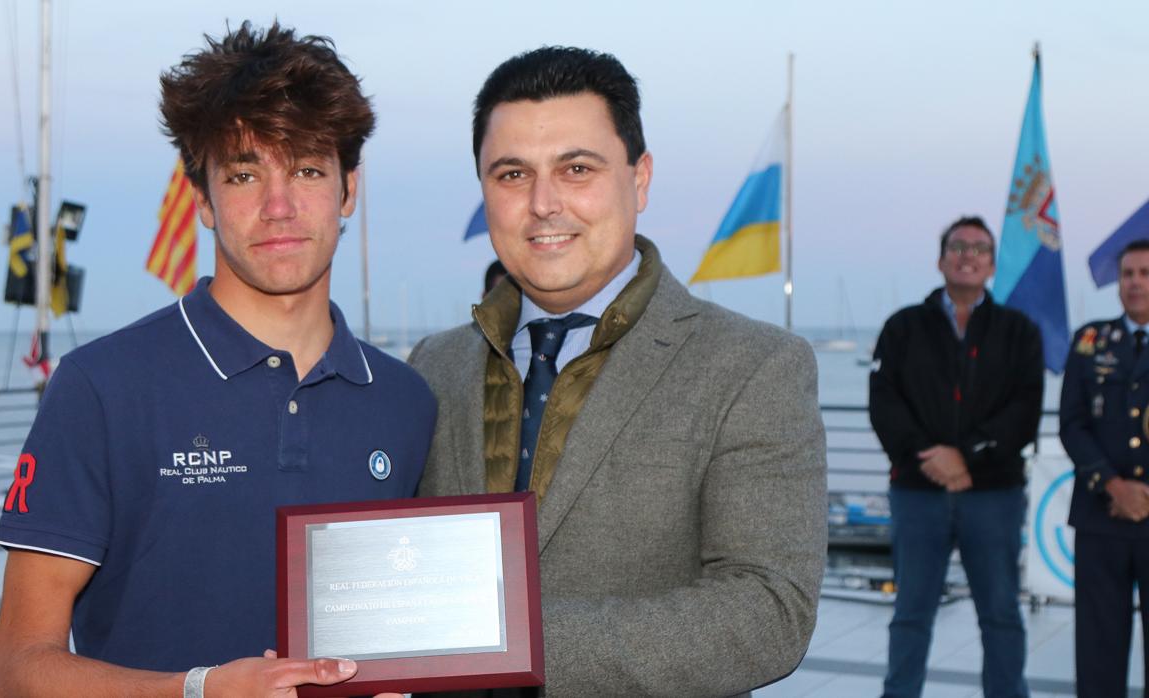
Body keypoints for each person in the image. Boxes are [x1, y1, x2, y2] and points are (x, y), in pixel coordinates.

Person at [0, 22, 434, 697]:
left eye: (308, 169)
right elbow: (13, 671)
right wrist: (197, 691)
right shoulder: (101, 388)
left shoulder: (407, 401)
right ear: (202, 198)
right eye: (246, 174)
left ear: (348, 190)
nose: (279, 207)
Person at [409, 46, 827, 697]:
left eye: (577, 168)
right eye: (512, 174)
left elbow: (769, 612)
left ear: (640, 179)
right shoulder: (433, 366)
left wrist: (518, 641)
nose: (544, 203)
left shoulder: (754, 367)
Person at [868, 216, 1043, 698]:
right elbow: (884, 401)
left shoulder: (1019, 331)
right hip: (917, 494)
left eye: (979, 248)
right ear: (941, 258)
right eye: (958, 246)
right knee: (910, 616)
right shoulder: (903, 327)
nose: (968, 254)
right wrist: (930, 456)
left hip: (994, 496)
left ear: (990, 263)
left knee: (1002, 616)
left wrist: (965, 458)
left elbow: (1025, 409)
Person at [1059, 238, 1149, 698]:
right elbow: (1072, 424)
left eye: (1145, 273)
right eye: (1129, 273)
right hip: (1102, 518)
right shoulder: (1090, 342)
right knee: (1098, 653)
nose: (1135, 283)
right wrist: (1115, 486)